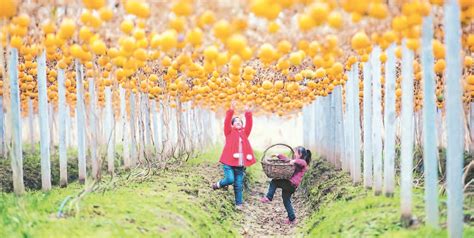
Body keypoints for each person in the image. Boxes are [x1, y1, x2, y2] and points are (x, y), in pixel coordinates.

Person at [212, 102, 256, 210]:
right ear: (232, 125)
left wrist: (248, 112)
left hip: (240, 164)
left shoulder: (245, 133)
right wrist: (231, 110)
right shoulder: (229, 132)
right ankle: (219, 184)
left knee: (238, 184)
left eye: (240, 122)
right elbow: (227, 122)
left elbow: (249, 124)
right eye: (235, 121)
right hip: (228, 163)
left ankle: (238, 204)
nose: (238, 122)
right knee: (230, 179)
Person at [260, 146, 311, 224]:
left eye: (295, 152)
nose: (294, 154)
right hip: (291, 185)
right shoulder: (295, 161)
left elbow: (301, 162)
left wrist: (294, 161)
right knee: (286, 200)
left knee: (274, 181)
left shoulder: (303, 162)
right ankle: (292, 218)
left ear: (300, 154)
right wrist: (278, 155)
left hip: (291, 184)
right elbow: (287, 160)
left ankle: (269, 197)